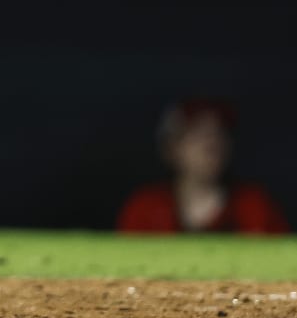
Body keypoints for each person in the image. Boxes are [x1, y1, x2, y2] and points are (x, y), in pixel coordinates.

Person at [117, 100, 288, 233]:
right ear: (171, 148)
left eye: (218, 133)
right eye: (197, 134)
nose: (210, 143)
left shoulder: (254, 207)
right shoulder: (146, 208)